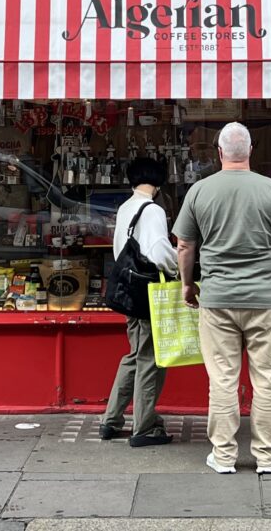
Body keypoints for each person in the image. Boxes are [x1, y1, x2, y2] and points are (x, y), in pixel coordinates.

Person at [173, 122, 271, 475]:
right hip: (265, 300)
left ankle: (224, 456)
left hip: (217, 300)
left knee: (222, 380)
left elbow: (185, 245)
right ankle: (266, 456)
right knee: (267, 379)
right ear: (249, 151)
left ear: (219, 153)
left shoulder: (199, 191)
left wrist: (188, 284)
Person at [99, 157, 179, 447]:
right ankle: (144, 427)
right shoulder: (153, 209)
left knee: (135, 355)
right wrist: (178, 266)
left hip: (129, 291)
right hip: (149, 294)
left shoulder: (125, 207)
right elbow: (159, 251)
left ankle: (111, 420)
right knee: (150, 360)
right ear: (158, 182)